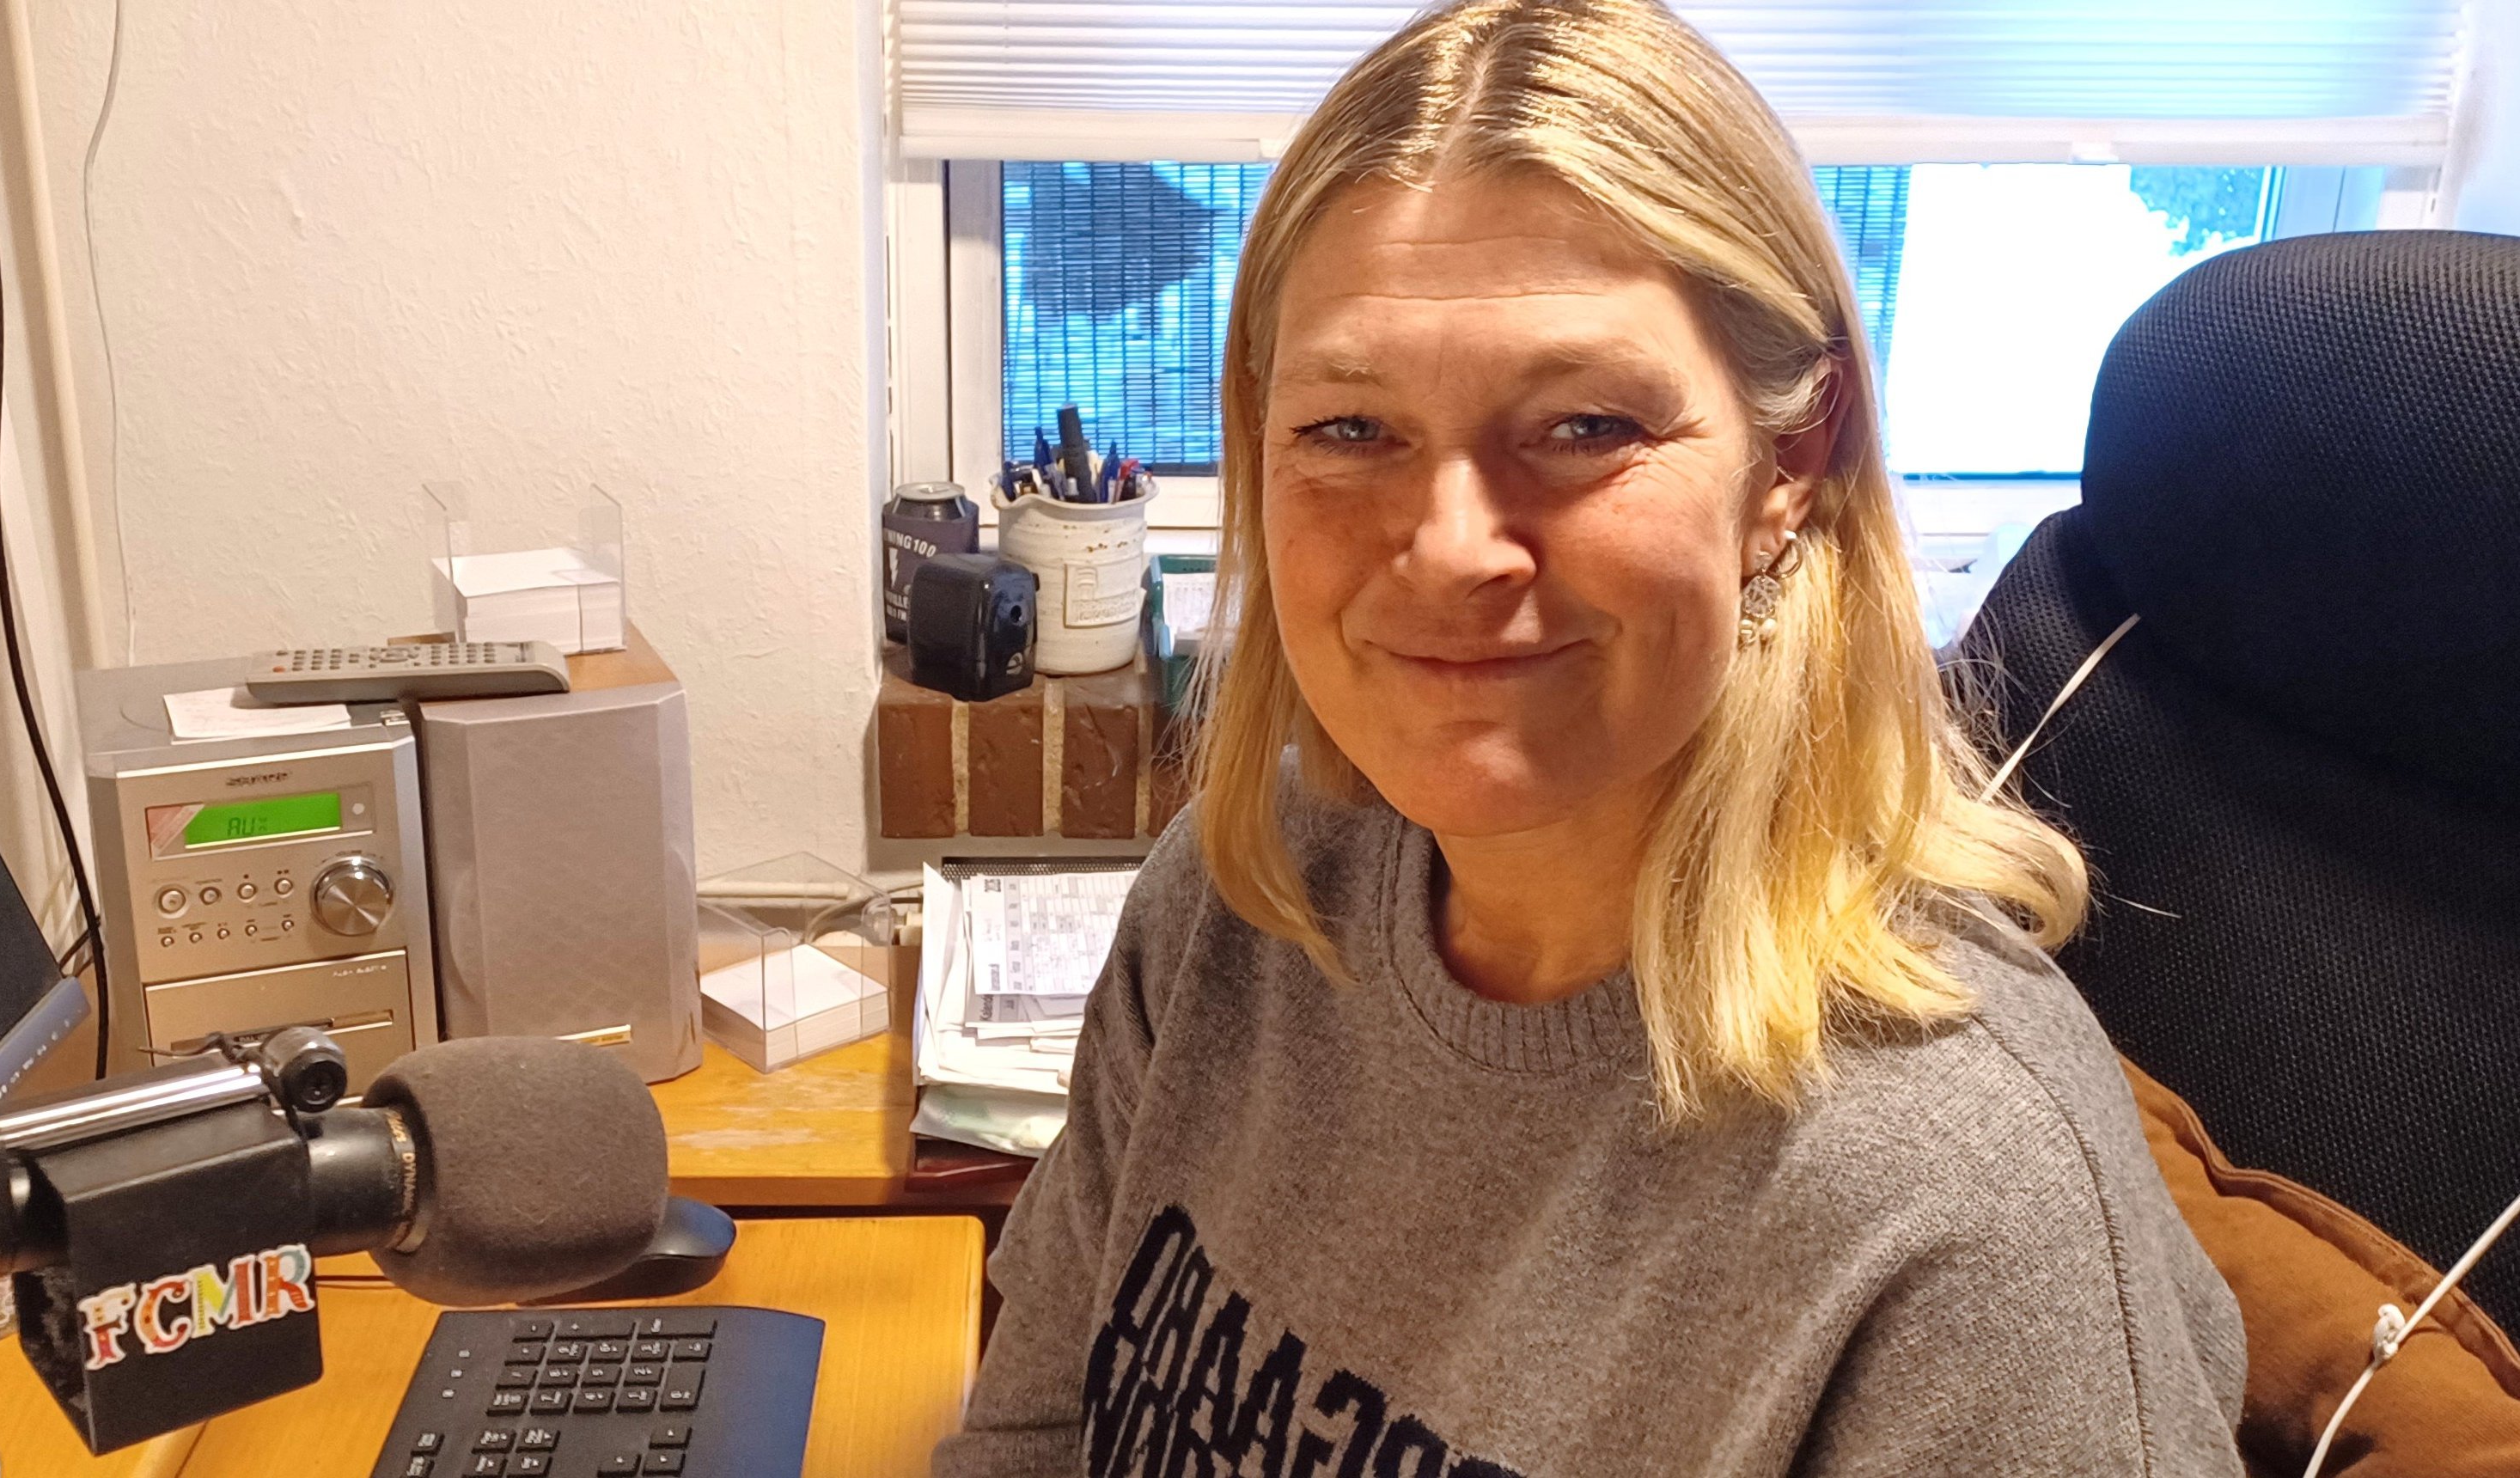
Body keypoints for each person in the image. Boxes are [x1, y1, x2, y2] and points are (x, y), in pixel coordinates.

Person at [935, 2, 2246, 1473]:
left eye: (1584, 427)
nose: (1451, 550)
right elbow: (1033, 1438)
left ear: (1789, 463)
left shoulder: (1970, 1215)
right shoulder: (1236, 906)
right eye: (1350, 430)